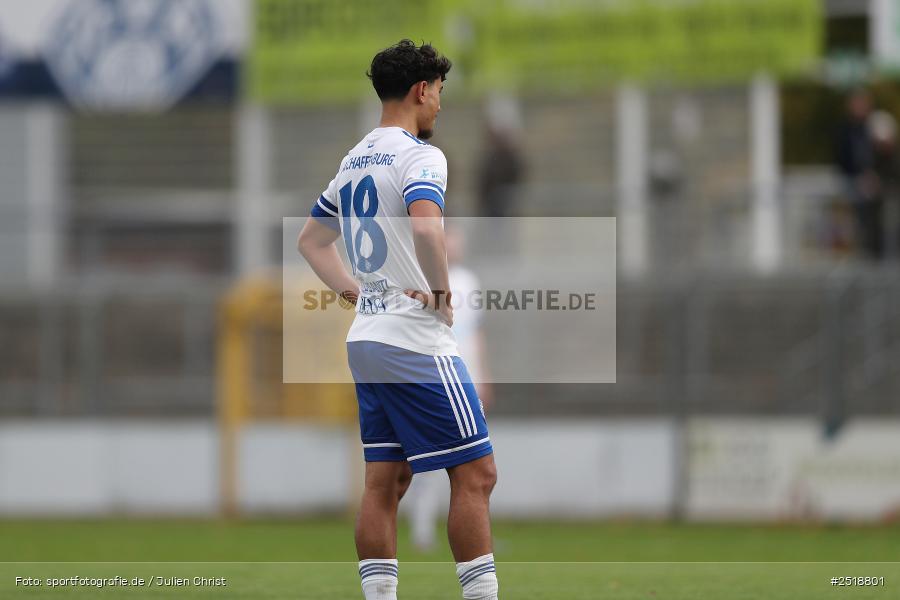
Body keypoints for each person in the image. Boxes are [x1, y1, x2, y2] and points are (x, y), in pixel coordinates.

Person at [297, 40, 499, 600]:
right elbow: (428, 230)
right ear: (421, 90)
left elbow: (311, 241)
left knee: (385, 481)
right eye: (439, 92)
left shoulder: (354, 157)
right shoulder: (420, 156)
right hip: (415, 338)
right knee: (477, 475)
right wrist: (441, 294)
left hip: (366, 338)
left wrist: (357, 296)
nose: (439, 105)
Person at [407, 226, 493, 553]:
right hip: (435, 375)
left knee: (477, 460)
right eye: (449, 239)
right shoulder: (419, 276)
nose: (454, 245)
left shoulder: (469, 281)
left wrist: (484, 376)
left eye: (458, 239)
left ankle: (477, 531)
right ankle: (422, 529)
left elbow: (477, 332)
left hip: (467, 376)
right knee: (429, 456)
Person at [835, 89, 884, 260]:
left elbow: (883, 158)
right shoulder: (844, 129)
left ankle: (874, 254)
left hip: (873, 185)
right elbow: (842, 157)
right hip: (852, 182)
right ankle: (857, 256)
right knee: (851, 226)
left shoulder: (875, 126)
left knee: (874, 222)